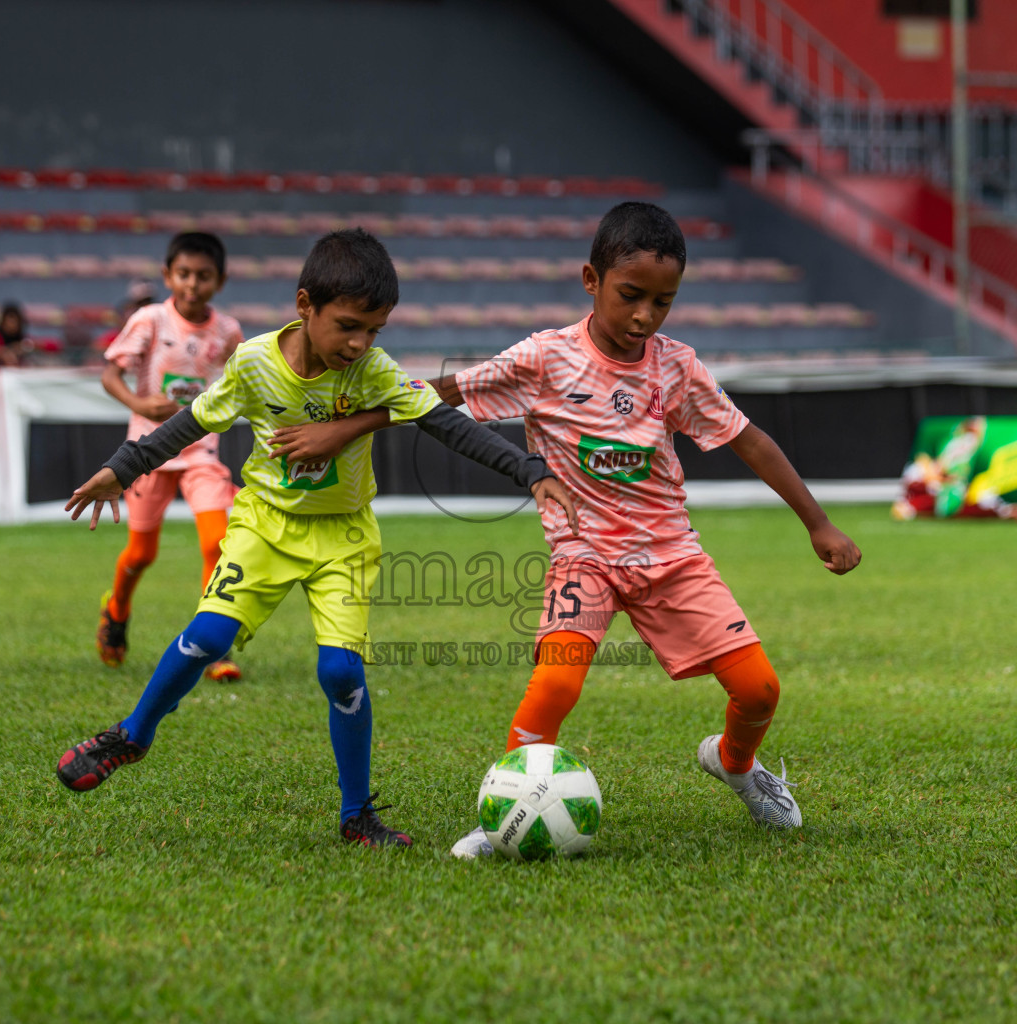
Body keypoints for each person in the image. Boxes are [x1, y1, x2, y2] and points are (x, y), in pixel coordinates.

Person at [287, 203, 862, 857]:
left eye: (663, 302)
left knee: (760, 690)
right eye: (631, 296)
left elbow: (749, 441)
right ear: (591, 280)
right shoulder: (546, 358)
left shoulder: (676, 367)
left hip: (671, 556)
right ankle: (498, 815)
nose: (645, 316)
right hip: (582, 556)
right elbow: (438, 393)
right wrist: (343, 427)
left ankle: (734, 763)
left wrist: (818, 524)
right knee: (555, 683)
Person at [54, 228, 578, 849]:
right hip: (265, 527)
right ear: (306, 305)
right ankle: (133, 735)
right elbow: (191, 422)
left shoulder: (373, 373)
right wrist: (122, 467)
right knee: (207, 636)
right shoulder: (253, 363)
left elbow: (447, 425)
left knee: (340, 673)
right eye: (349, 326)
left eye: (375, 331)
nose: (360, 344)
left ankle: (357, 815)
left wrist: (531, 470)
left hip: (344, 539)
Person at [97, 233, 246, 682]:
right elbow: (110, 374)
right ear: (168, 276)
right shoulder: (149, 320)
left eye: (203, 276)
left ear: (219, 281)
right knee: (141, 554)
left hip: (200, 452)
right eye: (184, 274)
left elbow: (247, 382)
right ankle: (117, 608)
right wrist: (139, 405)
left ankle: (212, 646)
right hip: (147, 453)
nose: (192, 284)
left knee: (216, 544)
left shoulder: (228, 332)